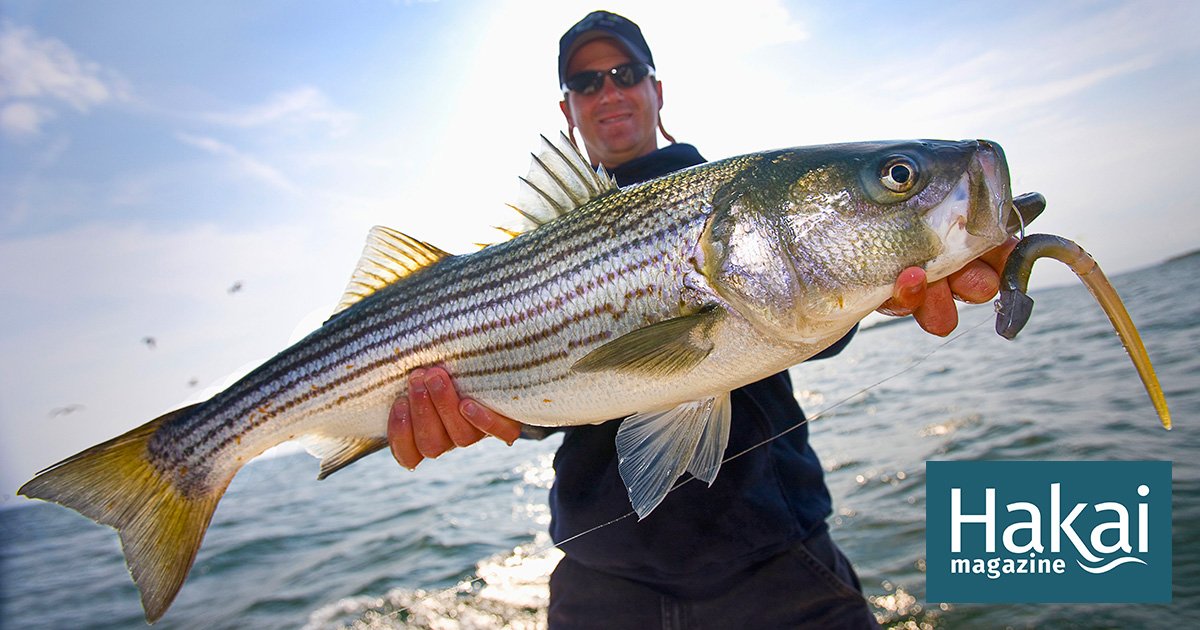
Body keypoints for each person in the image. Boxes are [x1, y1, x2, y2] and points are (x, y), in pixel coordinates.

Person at [386, 11, 1016, 629]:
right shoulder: (549, 234)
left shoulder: (736, 192)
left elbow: (797, 309)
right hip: (603, 586)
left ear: (656, 90)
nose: (609, 90)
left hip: (775, 563)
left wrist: (883, 283)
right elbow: (548, 394)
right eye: (585, 82)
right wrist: (478, 412)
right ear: (568, 110)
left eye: (626, 72)